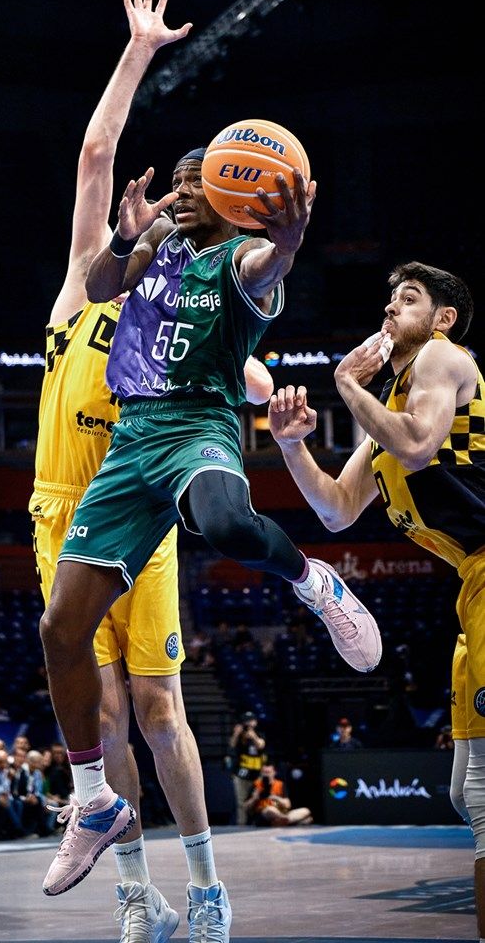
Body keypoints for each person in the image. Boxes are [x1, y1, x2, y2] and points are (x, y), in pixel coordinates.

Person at [39, 17, 383, 919]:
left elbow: (271, 268)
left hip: (195, 426)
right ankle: (92, 800)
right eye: (185, 179)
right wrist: (128, 237)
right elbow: (104, 281)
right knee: (55, 633)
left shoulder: (235, 259)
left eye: (204, 181)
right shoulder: (140, 255)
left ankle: (314, 581)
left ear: (231, 198)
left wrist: (294, 240)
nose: (187, 191)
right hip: (126, 448)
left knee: (226, 528)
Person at [30, 0, 249, 940]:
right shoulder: (83, 292)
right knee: (103, 708)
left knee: (159, 706)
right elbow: (92, 156)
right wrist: (138, 52)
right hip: (56, 513)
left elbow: (225, 383)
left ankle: (205, 889)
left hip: (142, 517)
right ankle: (136, 894)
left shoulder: (184, 321)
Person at [267, 260, 484, 940]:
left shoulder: (443, 360)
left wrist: (341, 384)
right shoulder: (389, 401)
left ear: (442, 317)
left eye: (408, 299)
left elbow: (419, 447)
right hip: (468, 586)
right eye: (388, 298)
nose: (390, 308)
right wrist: (290, 445)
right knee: (465, 792)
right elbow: (334, 510)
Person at [227, 712, 267, 825]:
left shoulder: (260, 733)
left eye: (251, 721)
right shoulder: (240, 735)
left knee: (257, 799)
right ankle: (242, 824)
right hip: (241, 773)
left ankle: (257, 822)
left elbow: (261, 745)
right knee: (241, 802)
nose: (249, 723)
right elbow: (232, 745)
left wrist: (253, 735)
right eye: (246, 721)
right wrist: (236, 733)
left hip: (257, 773)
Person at [245, 762, 313, 827]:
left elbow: (288, 805)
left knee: (305, 810)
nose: (266, 775)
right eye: (264, 772)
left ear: (274, 773)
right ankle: (291, 821)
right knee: (270, 810)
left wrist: (274, 797)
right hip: (263, 813)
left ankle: (283, 821)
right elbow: (247, 807)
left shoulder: (280, 784)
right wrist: (254, 798)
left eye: (268, 772)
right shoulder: (256, 784)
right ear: (261, 773)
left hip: (280, 809)